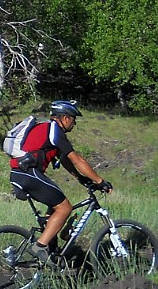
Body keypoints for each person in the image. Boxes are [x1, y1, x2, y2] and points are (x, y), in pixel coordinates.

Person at [9, 100, 112, 263]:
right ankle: (40, 246)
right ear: (65, 118)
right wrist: (100, 181)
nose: (74, 123)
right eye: (73, 118)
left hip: (23, 174)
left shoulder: (48, 132)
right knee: (65, 208)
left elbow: (65, 160)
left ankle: (52, 249)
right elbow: (77, 159)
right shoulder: (54, 131)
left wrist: (80, 178)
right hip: (28, 174)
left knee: (55, 205)